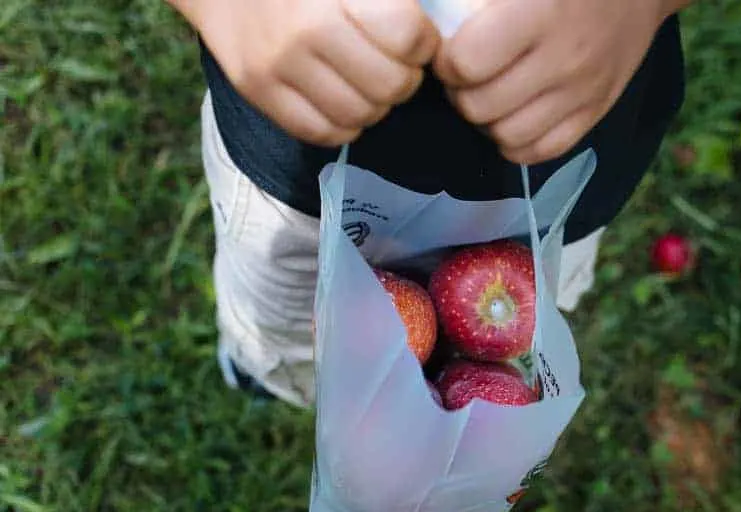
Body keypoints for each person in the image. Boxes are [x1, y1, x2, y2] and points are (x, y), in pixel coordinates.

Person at [164, 0, 692, 407]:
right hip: (305, 172)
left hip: (546, 177)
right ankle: (271, 373)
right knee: (293, 323)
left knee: (499, 336)